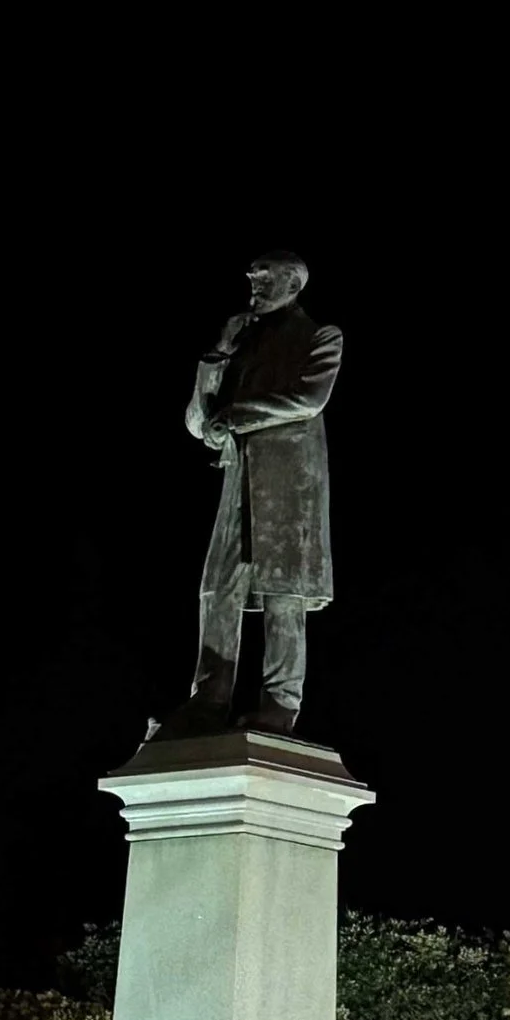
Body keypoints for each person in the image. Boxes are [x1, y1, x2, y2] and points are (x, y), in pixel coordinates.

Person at [160, 251, 341, 736]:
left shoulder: (319, 336)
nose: (255, 285)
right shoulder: (241, 343)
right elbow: (198, 424)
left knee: (285, 592)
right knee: (218, 588)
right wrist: (216, 355)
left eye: (265, 278)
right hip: (238, 478)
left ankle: (280, 705)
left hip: (290, 485)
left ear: (294, 285)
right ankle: (208, 701)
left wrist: (238, 416)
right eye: (253, 278)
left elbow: (308, 400)